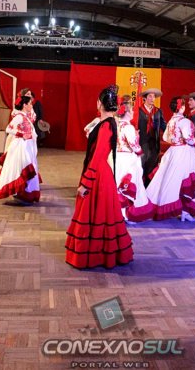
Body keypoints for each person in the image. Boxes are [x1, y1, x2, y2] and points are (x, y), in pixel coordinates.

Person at [65, 85, 133, 269]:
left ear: (100, 103)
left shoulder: (106, 125)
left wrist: (86, 182)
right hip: (101, 172)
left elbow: (97, 156)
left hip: (99, 175)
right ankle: (101, 253)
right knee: (101, 215)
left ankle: (94, 255)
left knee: (95, 214)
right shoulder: (107, 123)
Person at [146, 96, 195, 222]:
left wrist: (176, 141)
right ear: (181, 107)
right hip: (184, 152)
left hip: (173, 151)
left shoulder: (171, 121)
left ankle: (179, 210)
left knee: (172, 181)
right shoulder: (184, 121)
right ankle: (185, 212)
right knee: (186, 182)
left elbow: (165, 138)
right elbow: (189, 138)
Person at [0, 95, 41, 204]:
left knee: (26, 167)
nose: (31, 105)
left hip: (27, 146)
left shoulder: (26, 116)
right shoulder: (19, 116)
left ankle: (25, 193)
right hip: (20, 146)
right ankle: (20, 192)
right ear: (24, 105)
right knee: (21, 168)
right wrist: (21, 134)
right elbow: (8, 128)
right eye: (30, 104)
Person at [115, 95, 154, 222]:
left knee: (119, 184)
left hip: (118, 157)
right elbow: (134, 146)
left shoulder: (117, 125)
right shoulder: (128, 127)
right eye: (131, 110)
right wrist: (140, 151)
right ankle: (128, 214)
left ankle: (120, 213)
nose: (133, 113)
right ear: (126, 112)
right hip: (128, 159)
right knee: (130, 184)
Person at [137, 88, 166, 186]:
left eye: (154, 96)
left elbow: (163, 125)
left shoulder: (158, 111)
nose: (152, 98)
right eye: (150, 96)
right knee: (141, 165)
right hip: (142, 142)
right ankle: (140, 187)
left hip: (154, 143)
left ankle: (149, 187)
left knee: (152, 165)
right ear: (145, 98)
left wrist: (171, 132)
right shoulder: (138, 111)